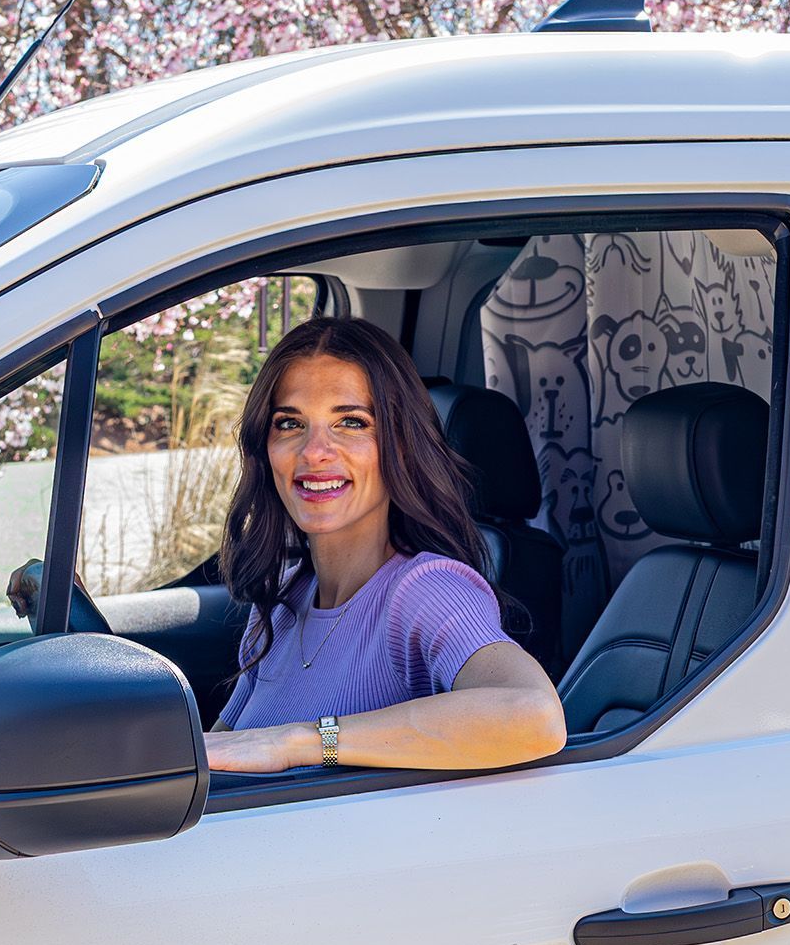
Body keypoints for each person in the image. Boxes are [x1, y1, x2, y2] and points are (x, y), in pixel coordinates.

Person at [206, 316, 566, 775]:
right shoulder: (279, 603)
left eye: (351, 422)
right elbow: (219, 759)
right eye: (290, 423)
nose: (315, 451)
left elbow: (535, 717)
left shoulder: (426, 590)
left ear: (399, 444)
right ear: (266, 446)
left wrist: (304, 741)